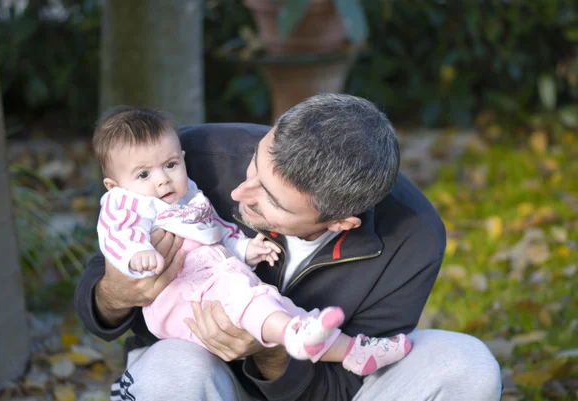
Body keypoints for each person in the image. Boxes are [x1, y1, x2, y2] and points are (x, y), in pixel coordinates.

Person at [75, 94, 502, 401]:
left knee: (467, 365)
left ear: (340, 222)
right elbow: (104, 278)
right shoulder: (188, 158)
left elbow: (341, 389)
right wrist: (115, 294)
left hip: (311, 383)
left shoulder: (413, 240)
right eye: (255, 164)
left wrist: (270, 351)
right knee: (172, 369)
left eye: (271, 200)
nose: (241, 192)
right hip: (199, 379)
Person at [92, 105, 411, 375]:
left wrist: (245, 247)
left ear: (341, 222)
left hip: (221, 283)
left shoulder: (185, 193)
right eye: (144, 175)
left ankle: (353, 352)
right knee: (259, 308)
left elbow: (214, 229)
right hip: (185, 300)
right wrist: (136, 256)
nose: (162, 179)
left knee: (283, 309)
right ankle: (295, 334)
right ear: (113, 185)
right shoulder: (128, 202)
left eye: (171, 165)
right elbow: (117, 234)